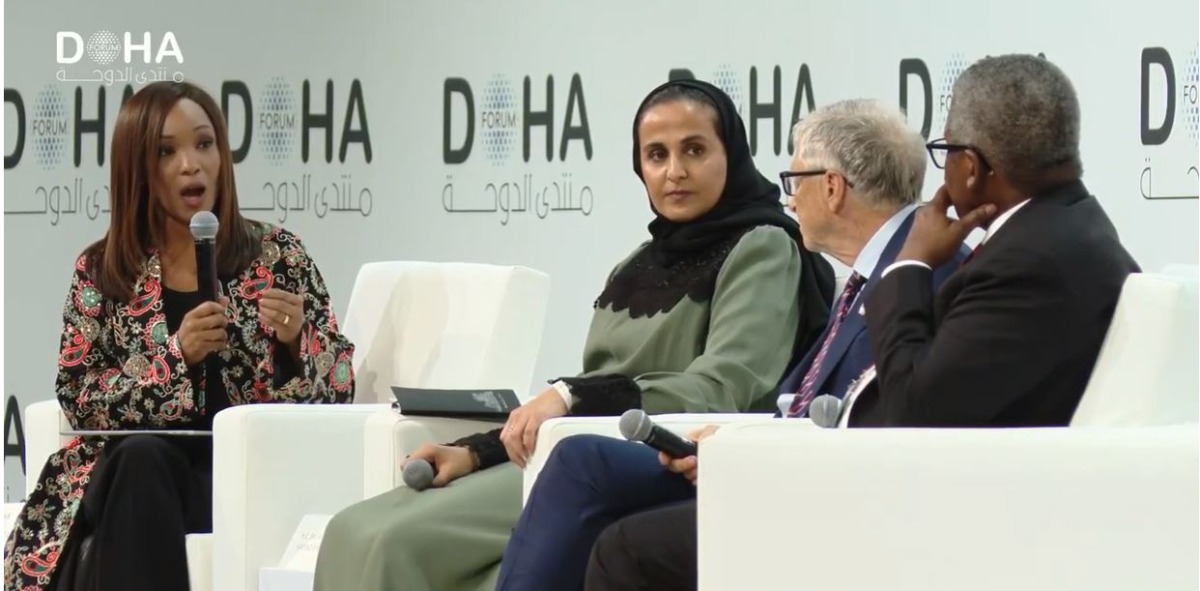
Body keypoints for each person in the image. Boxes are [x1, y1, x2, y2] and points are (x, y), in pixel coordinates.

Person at [579, 53, 1143, 591]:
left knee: (625, 549)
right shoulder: (1068, 235)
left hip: (917, 518)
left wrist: (911, 265)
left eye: (946, 153)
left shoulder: (1025, 264)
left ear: (970, 167)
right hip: (912, 490)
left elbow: (914, 412)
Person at [310, 79, 836, 591]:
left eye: (694, 150)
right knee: (352, 531)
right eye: (656, 155)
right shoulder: (636, 264)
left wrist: (569, 396)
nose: (675, 171)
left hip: (651, 461)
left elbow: (723, 387)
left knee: (393, 543)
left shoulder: (763, 245)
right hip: (571, 452)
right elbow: (587, 395)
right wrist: (476, 451)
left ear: (732, 154)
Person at [494, 99, 969, 591]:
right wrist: (730, 441)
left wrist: (744, 451)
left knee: (591, 480)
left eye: (795, 182)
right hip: (761, 457)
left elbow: (864, 417)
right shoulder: (875, 273)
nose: (789, 202)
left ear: (831, 188)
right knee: (589, 486)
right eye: (655, 155)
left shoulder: (916, 274)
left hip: (818, 492)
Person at [2, 81, 356, 591]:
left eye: (204, 144)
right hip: (130, 473)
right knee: (141, 460)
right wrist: (175, 357)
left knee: (146, 471)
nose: (191, 165)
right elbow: (80, 395)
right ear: (138, 168)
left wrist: (298, 343)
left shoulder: (278, 255)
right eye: (167, 152)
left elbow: (340, 387)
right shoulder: (105, 270)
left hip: (240, 475)